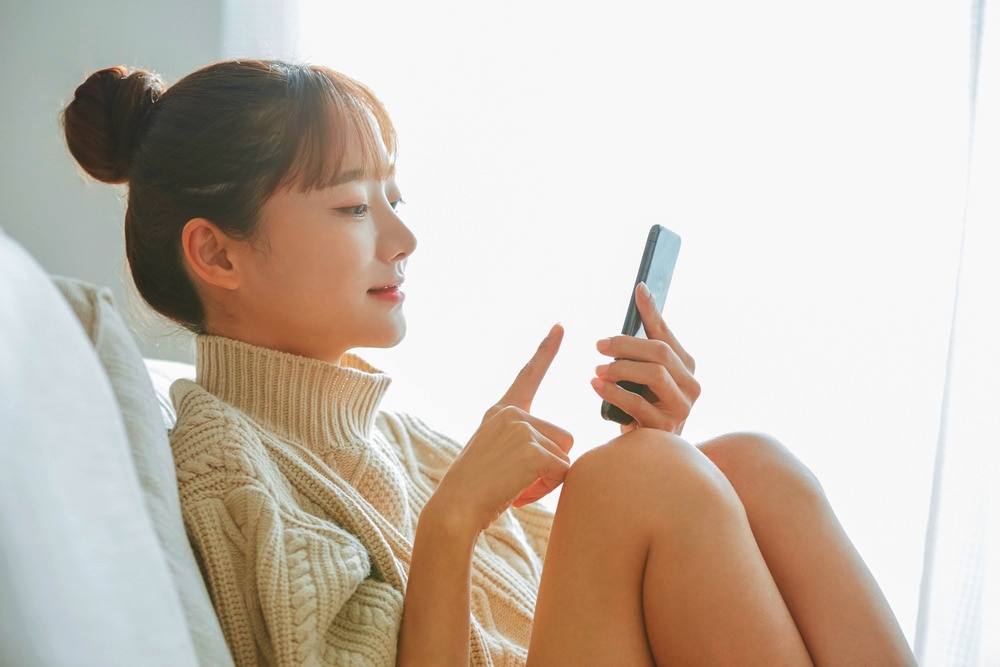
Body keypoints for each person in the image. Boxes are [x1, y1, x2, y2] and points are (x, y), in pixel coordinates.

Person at [62, 59, 916, 666]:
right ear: (217, 253)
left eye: (395, 197)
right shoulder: (225, 467)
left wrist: (676, 466)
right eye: (354, 205)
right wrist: (453, 520)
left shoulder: (405, 443)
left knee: (747, 465)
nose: (404, 236)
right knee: (633, 482)